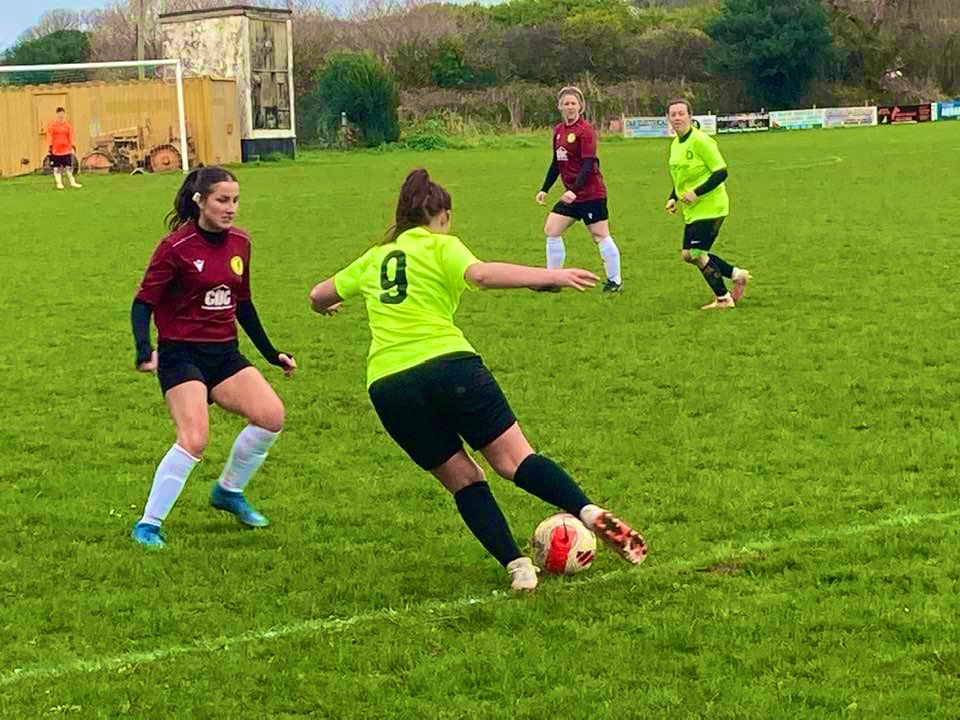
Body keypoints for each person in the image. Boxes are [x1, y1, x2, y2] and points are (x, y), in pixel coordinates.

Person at [309, 168, 647, 591]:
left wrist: (326, 307)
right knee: (515, 460)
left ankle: (518, 567)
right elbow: (482, 275)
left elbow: (318, 295)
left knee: (463, 480)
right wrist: (550, 276)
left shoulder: (374, 258)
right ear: (443, 216)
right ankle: (587, 511)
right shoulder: (442, 246)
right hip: (451, 367)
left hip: (389, 385)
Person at [129, 166, 296, 547]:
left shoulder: (241, 242)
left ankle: (228, 491)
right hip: (181, 354)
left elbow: (243, 304)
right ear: (200, 201)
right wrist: (143, 349)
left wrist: (272, 354)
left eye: (235, 200)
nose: (231, 208)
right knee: (195, 439)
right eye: (222, 200)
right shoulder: (176, 247)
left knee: (271, 416)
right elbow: (143, 303)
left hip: (223, 354)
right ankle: (148, 524)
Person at [665, 98, 751, 309]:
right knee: (690, 255)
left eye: (681, 113)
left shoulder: (701, 141)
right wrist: (673, 197)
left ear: (690, 116)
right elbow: (681, 177)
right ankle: (736, 275)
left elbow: (721, 172)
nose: (677, 118)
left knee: (695, 253)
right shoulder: (675, 144)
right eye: (673, 114)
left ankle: (723, 298)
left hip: (711, 206)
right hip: (694, 210)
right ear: (668, 118)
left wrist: (697, 192)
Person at [536, 86, 622, 293]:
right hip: (572, 196)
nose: (570, 107)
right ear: (560, 107)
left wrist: (574, 190)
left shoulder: (585, 130)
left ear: (581, 106)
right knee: (552, 229)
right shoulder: (558, 131)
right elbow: (556, 163)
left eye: (573, 103)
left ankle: (615, 281)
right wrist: (544, 189)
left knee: (600, 235)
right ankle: (553, 281)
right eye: (566, 103)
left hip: (591, 193)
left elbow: (588, 163)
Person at [47, 107, 81, 190]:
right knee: (57, 168)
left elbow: (70, 136)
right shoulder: (52, 125)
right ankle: (59, 183)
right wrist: (50, 146)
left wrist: (72, 146)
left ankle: (72, 182)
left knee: (68, 167)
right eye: (59, 114)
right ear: (57, 114)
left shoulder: (67, 125)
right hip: (56, 150)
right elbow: (50, 136)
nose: (61, 116)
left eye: (62, 114)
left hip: (66, 150)